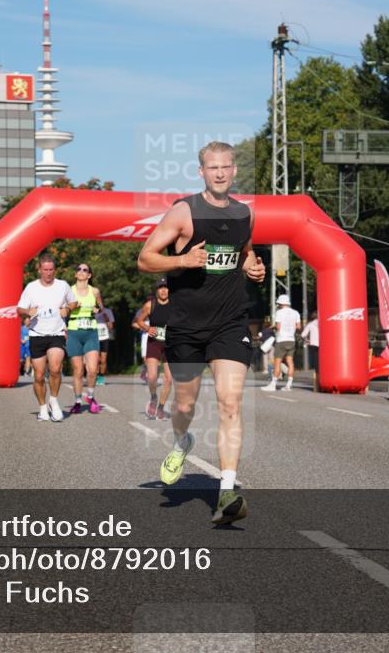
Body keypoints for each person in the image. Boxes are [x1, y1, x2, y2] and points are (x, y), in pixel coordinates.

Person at [137, 141, 265, 525]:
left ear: (234, 171)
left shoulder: (245, 214)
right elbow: (144, 258)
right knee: (185, 406)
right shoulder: (184, 212)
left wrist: (253, 268)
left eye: (227, 167)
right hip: (186, 325)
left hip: (229, 322)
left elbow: (246, 252)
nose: (221, 173)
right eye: (213, 168)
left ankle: (226, 491)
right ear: (202, 172)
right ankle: (182, 441)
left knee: (230, 401)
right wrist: (182, 260)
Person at [17, 252, 77, 422]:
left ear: (55, 270)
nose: (49, 273)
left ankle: (54, 401)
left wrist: (68, 309)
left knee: (56, 369)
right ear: (39, 270)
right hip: (37, 334)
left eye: (51, 270)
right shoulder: (31, 287)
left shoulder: (63, 285)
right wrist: (28, 311)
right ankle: (43, 407)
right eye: (45, 270)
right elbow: (19, 309)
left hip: (56, 333)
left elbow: (73, 302)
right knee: (38, 375)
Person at [66, 263, 105, 415]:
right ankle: (77, 401)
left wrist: (98, 309)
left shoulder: (94, 291)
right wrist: (71, 308)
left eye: (85, 270)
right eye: (79, 270)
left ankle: (90, 396)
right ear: (75, 274)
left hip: (91, 333)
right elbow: (62, 309)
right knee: (78, 371)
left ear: (89, 275)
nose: (81, 272)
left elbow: (101, 307)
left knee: (93, 369)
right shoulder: (69, 291)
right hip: (74, 333)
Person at [135, 277, 174, 420]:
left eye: (166, 287)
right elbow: (138, 320)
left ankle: (161, 408)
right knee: (152, 377)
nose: (163, 290)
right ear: (157, 290)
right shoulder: (150, 305)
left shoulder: (176, 304)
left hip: (170, 344)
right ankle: (153, 398)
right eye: (160, 288)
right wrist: (147, 327)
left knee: (169, 379)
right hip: (154, 343)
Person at [263, 294, 302, 392]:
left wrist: (274, 327)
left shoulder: (279, 312)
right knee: (290, 362)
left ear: (280, 303)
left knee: (277, 362)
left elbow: (279, 327)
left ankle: (273, 384)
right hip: (291, 340)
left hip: (281, 340)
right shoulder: (295, 313)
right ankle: (289, 384)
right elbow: (298, 327)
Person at [94, 304, 115, 386]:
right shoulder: (91, 311)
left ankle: (101, 377)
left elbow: (111, 327)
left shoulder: (107, 311)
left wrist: (106, 318)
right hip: (94, 337)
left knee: (103, 360)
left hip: (104, 337)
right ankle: (94, 376)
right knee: (95, 359)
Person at [301, 310, 320, 392]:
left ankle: (316, 385)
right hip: (324, 345)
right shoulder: (324, 323)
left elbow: (303, 335)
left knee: (316, 365)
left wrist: (307, 340)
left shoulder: (310, 324)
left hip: (314, 345)